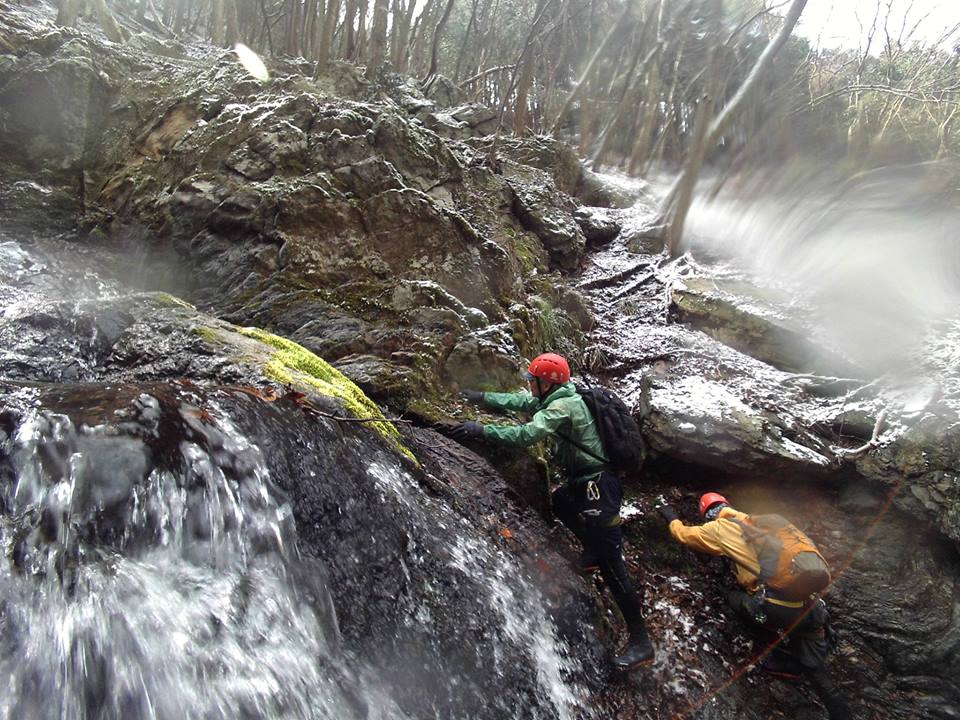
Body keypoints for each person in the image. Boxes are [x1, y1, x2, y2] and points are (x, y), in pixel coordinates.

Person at [447, 352, 656, 670]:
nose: (529, 384)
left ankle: (641, 642)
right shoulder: (558, 397)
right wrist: (481, 397)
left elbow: (526, 435)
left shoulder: (561, 406)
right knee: (560, 501)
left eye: (533, 380)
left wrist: (482, 431)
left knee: (613, 566)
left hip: (598, 488)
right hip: (583, 484)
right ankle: (592, 551)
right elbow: (520, 402)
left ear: (547, 383)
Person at [657, 492, 852, 720]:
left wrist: (671, 517)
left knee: (735, 601)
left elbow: (684, 535)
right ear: (727, 505)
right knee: (816, 669)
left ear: (707, 515)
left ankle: (775, 638)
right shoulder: (754, 520)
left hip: (772, 610)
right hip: (812, 606)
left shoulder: (719, 529)